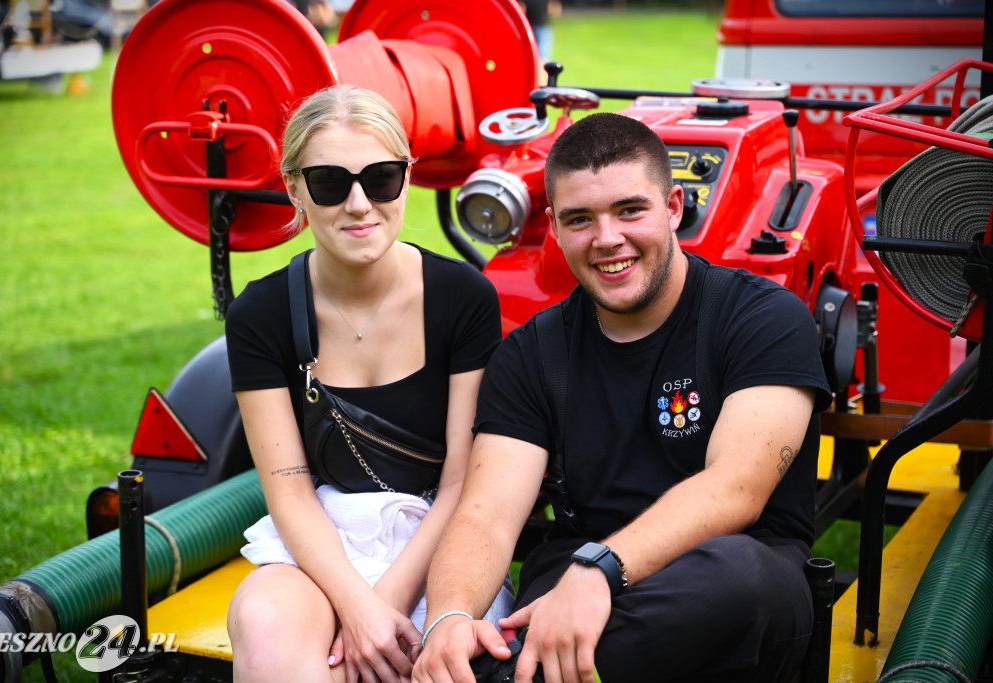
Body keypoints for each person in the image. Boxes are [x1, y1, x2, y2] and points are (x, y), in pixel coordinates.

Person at [412, 112, 833, 683]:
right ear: (555, 231)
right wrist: (449, 620)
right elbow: (486, 515)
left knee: (739, 571)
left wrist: (600, 570)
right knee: (515, 615)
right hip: (575, 587)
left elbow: (736, 489)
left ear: (675, 207)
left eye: (629, 210)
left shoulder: (761, 316)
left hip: (726, 582)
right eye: (580, 219)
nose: (607, 239)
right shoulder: (532, 352)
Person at [225, 84, 513, 683]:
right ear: (294, 187)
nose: (359, 204)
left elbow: (464, 480)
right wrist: (356, 607)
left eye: (381, 178)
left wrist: (386, 605)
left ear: (408, 177)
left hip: (440, 543)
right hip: (322, 545)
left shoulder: (463, 299)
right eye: (330, 183)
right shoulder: (260, 314)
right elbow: (290, 492)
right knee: (265, 621)